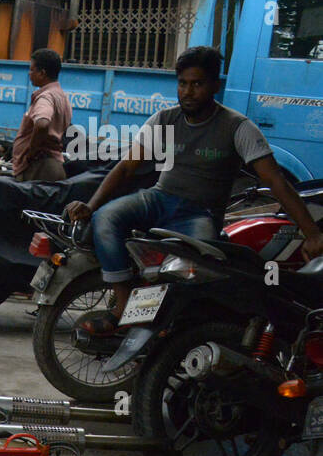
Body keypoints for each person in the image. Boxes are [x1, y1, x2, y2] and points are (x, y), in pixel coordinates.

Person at [64, 45, 323, 335]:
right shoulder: (164, 119)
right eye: (183, 83)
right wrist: (91, 204)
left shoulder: (238, 127)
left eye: (197, 84)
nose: (187, 91)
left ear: (215, 86)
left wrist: (312, 233)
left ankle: (173, 333)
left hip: (200, 214)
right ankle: (124, 307)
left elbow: (276, 181)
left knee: (198, 273)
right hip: (158, 199)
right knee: (105, 218)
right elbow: (126, 167)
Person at [12, 48, 72, 181]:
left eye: (32, 70)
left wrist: (31, 152)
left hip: (39, 168)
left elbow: (42, 124)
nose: (29, 73)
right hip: (53, 166)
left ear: (42, 73)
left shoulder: (45, 97)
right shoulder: (62, 97)